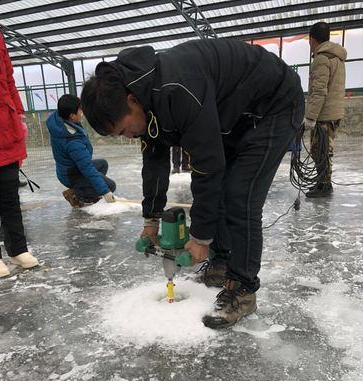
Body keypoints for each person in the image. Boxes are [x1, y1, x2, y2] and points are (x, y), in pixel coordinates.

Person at [81, 38, 304, 329]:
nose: (129, 136)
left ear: (131, 100)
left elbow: (207, 165)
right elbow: (154, 163)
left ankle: (244, 289)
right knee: (224, 189)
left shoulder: (177, 90)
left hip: (274, 104)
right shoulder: (143, 97)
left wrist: (200, 237)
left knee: (240, 194)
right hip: (236, 113)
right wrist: (151, 218)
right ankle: (222, 262)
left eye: (125, 130)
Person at [0, 1, 38, 278]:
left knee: (9, 193)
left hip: (4, 126)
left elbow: (8, 78)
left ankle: (17, 248)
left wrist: (17, 113)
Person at [46, 94, 116, 208]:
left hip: (69, 169)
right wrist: (105, 192)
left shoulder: (59, 120)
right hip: (72, 175)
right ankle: (77, 194)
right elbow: (87, 168)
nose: (82, 113)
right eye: (80, 110)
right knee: (111, 186)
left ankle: (84, 189)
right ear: (72, 116)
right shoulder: (72, 142)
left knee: (103, 164)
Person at [304, 22, 347, 198]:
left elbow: (319, 91)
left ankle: (324, 185)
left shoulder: (321, 58)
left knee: (318, 149)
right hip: (334, 112)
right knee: (324, 149)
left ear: (311, 39)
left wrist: (310, 117)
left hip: (324, 113)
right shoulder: (337, 57)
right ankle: (324, 182)